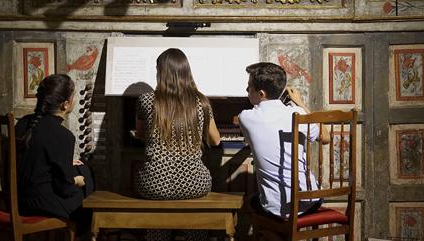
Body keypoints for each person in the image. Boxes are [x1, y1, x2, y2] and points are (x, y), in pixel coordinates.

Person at [134, 48, 221, 241]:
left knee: (158, 220)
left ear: (160, 72)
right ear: (186, 71)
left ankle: (158, 237)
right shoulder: (201, 102)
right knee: (195, 224)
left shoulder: (146, 100)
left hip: (153, 184)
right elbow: (216, 140)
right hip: (195, 184)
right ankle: (195, 237)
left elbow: (141, 135)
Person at [238, 62, 330, 219]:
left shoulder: (246, 117)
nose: (247, 90)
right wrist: (300, 103)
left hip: (277, 207)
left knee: (251, 202)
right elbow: (326, 137)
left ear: (261, 94)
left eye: (249, 87)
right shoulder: (298, 113)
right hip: (311, 199)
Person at [15, 73, 94, 232]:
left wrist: (66, 163)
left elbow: (35, 159)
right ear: (65, 104)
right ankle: (87, 232)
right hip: (39, 204)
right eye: (73, 97)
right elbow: (65, 188)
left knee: (78, 167)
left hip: (17, 199)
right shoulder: (63, 136)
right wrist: (76, 181)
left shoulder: (23, 124)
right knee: (85, 174)